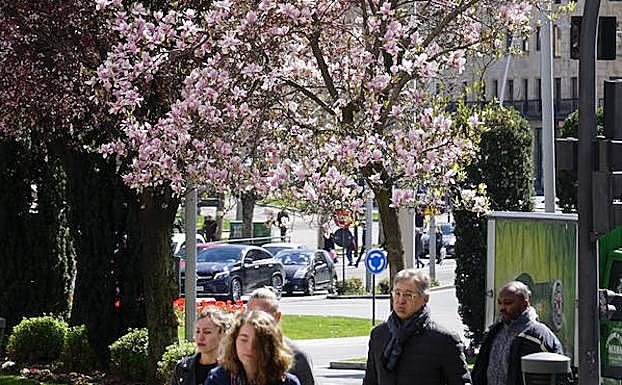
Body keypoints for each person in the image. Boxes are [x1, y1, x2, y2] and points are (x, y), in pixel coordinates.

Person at [363, 269, 471, 385]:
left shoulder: (444, 340)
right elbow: (371, 380)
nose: (401, 301)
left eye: (408, 295)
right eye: (397, 293)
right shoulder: (379, 334)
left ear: (425, 299)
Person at [471, 281, 563, 385]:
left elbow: (559, 374)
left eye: (508, 303)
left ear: (525, 304)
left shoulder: (539, 335)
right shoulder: (494, 332)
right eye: (500, 303)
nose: (502, 308)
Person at [205, 310, 300, 385]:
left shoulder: (287, 382)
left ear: (271, 345)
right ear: (234, 341)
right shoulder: (218, 379)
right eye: (244, 340)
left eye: (258, 341)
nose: (250, 347)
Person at [247, 288, 315, 385]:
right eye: (249, 314)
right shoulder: (237, 352)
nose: (254, 320)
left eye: (261, 315)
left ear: (277, 317)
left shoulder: (296, 357)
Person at [169, 307, 230, 385]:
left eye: (207, 332)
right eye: (197, 331)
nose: (200, 338)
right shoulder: (182, 368)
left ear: (222, 334)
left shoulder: (232, 371)